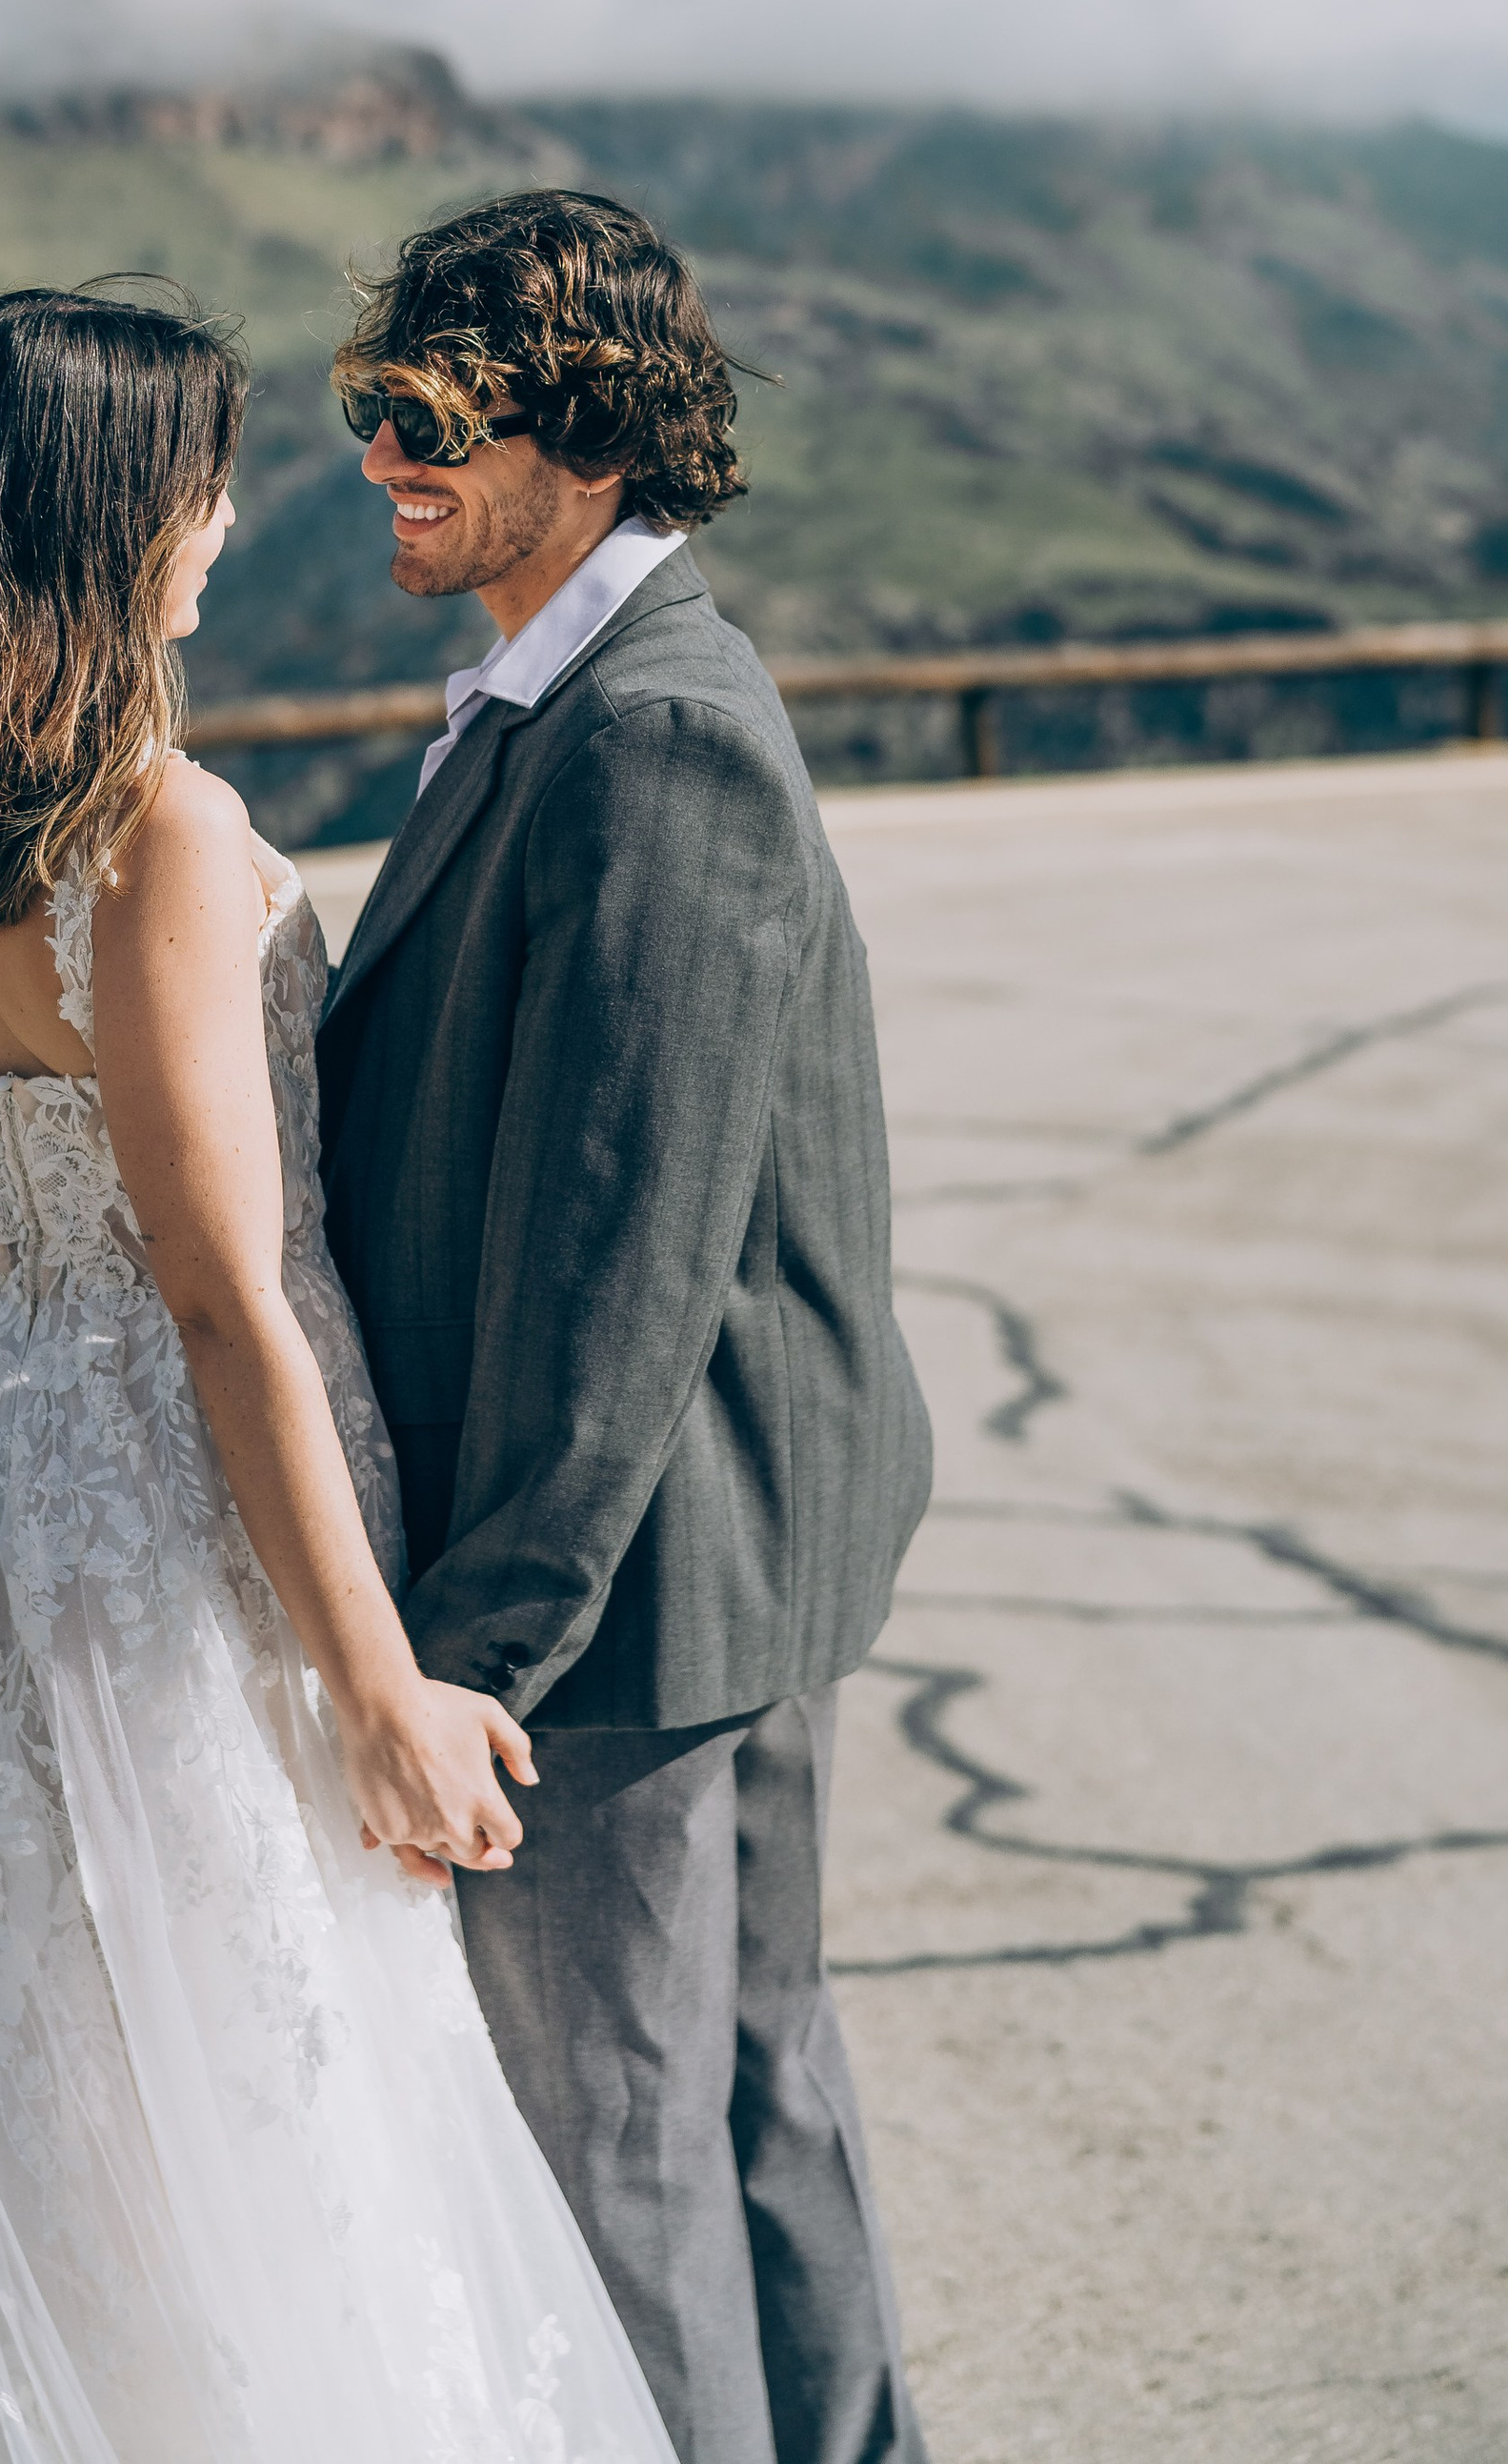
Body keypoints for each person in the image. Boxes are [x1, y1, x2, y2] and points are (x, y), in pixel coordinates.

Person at [0, 286, 677, 2464]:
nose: (224, 517)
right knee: (228, 2032)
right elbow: (218, 1293)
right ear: (116, 514)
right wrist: (382, 1684)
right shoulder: (155, 831)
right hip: (168, 1465)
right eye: (199, 477)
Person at [316, 192, 934, 2464]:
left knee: (625, 2150)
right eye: (361, 412)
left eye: (416, 419)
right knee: (752, 2095)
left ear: (573, 436)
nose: (372, 458)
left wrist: (479, 1654)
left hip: (632, 1591)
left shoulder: (652, 734)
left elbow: (622, 1253)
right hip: (709, 1557)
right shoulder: (555, 692)